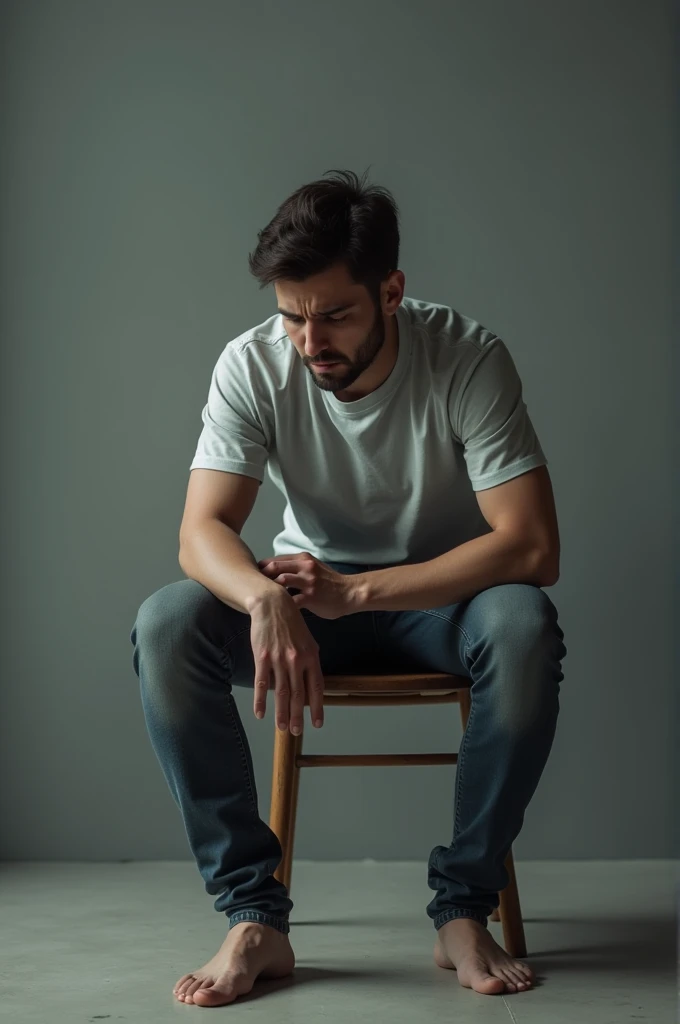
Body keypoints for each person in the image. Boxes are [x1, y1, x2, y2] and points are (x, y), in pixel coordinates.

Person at [130, 168, 566, 1007]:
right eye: (293, 314)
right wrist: (263, 599)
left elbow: (533, 545)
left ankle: (463, 911)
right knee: (167, 624)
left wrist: (360, 594)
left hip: (445, 602)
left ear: (392, 291)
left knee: (522, 624)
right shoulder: (254, 363)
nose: (308, 339)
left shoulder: (467, 358)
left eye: (334, 314)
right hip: (302, 600)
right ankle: (254, 914)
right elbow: (201, 531)